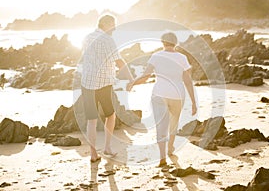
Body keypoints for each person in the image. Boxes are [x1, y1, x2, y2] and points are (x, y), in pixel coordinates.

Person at [127, 32, 197, 167]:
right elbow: (188, 81)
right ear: (175, 43)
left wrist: (133, 83)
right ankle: (170, 148)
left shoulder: (156, 56)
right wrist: (193, 102)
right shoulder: (182, 58)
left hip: (159, 94)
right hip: (177, 95)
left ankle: (162, 157)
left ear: (162, 42)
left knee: (161, 125)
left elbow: (145, 77)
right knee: (173, 123)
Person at [81, 14, 133, 162]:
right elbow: (119, 61)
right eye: (113, 24)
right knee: (110, 115)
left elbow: (85, 58)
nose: (115, 28)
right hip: (103, 84)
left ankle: (93, 154)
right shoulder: (108, 40)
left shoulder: (87, 37)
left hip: (87, 83)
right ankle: (107, 147)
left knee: (91, 120)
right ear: (106, 24)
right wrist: (131, 78)